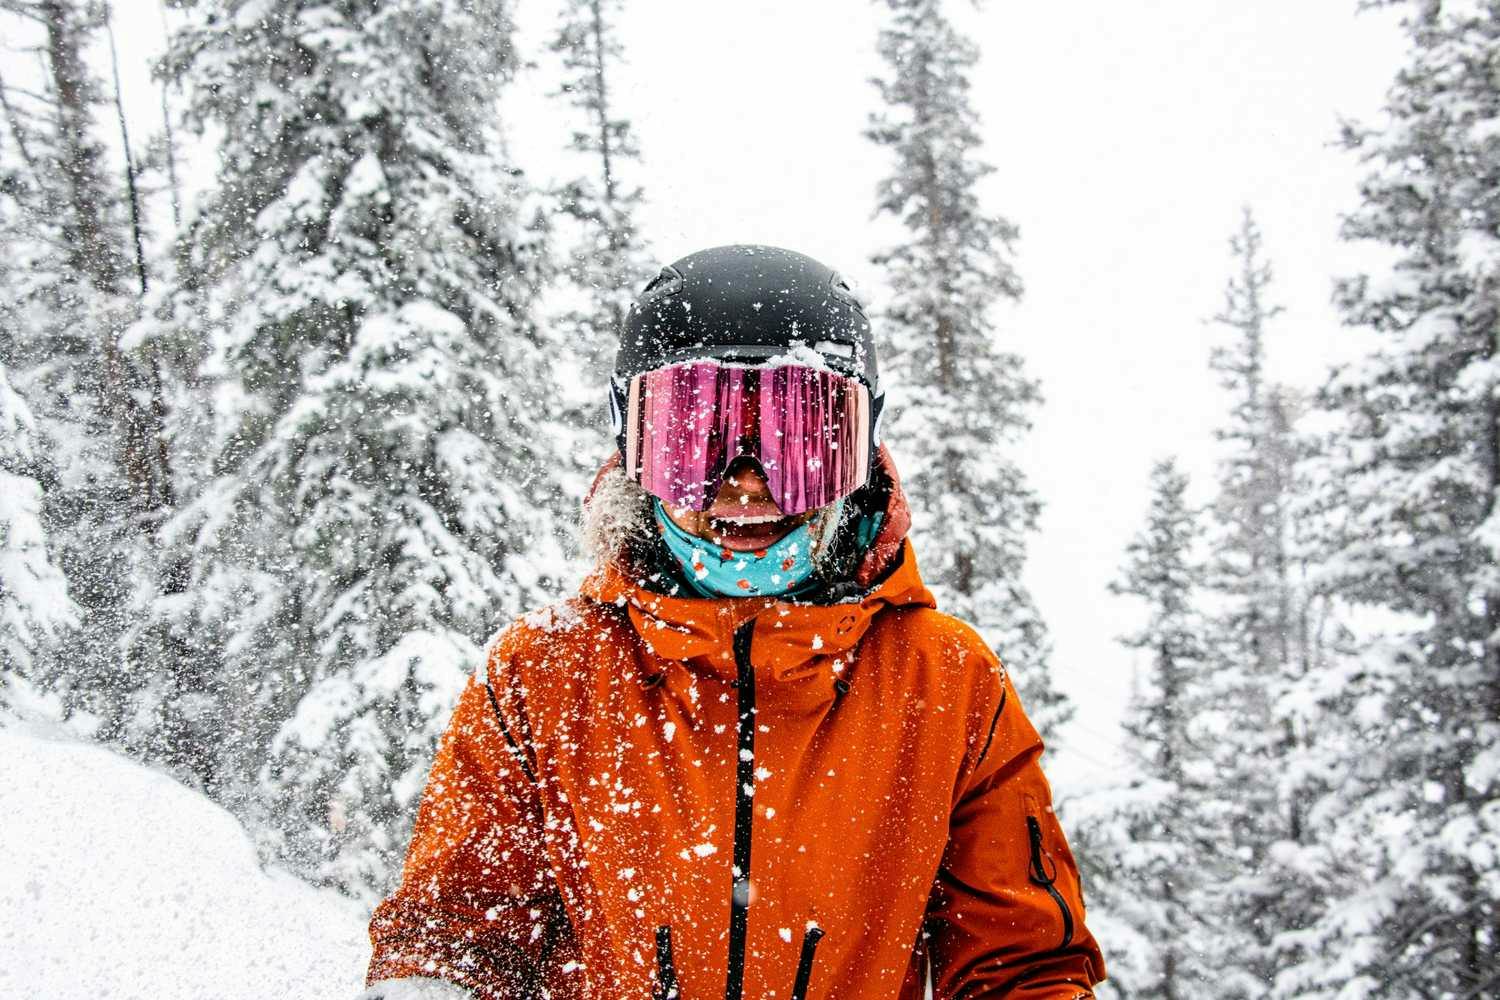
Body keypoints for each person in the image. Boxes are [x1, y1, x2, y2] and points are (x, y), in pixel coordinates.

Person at [359, 246, 1105, 999]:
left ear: (859, 450)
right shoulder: (545, 674)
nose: (746, 484)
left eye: (799, 439)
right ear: (630, 444)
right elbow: (453, 940)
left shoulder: (943, 681)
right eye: (693, 437)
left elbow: (1022, 969)